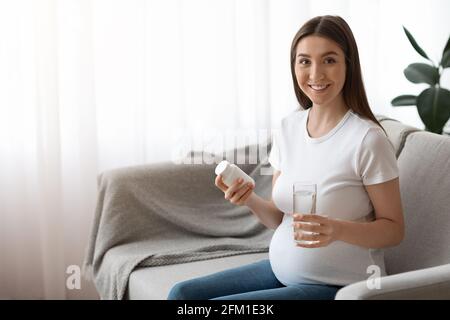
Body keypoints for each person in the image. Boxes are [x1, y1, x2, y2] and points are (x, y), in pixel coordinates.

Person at [167, 15, 404, 300]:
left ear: (348, 65)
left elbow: (394, 230)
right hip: (282, 274)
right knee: (181, 295)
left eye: (329, 60)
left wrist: (338, 229)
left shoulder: (368, 140)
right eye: (304, 61)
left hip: (339, 286)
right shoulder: (288, 128)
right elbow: (279, 218)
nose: (315, 74)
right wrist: (249, 199)